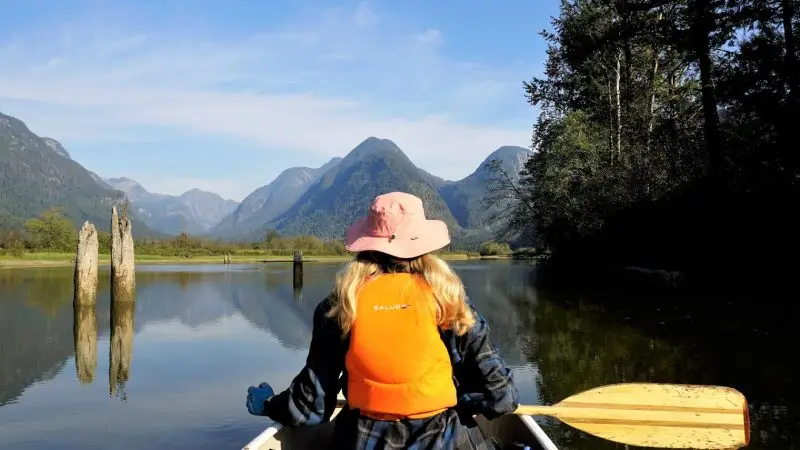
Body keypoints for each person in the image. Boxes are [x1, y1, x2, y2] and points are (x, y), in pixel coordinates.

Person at [246, 191, 519, 449]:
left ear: (365, 246)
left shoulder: (340, 306)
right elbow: (501, 397)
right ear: (423, 245)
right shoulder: (449, 301)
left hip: (363, 440)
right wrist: (460, 400)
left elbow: (310, 406)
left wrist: (270, 404)